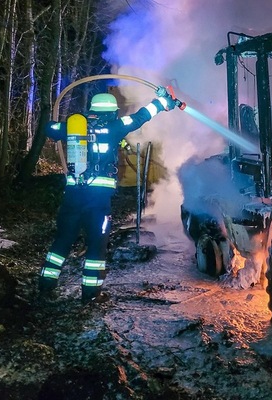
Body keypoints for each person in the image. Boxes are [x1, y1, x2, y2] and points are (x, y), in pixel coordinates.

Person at [38, 88, 177, 302]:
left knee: (62, 240)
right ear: (112, 112)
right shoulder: (114, 127)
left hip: (73, 196)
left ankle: (46, 285)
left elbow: (50, 129)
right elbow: (140, 117)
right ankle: (91, 294)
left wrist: (59, 123)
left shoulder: (75, 127)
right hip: (98, 200)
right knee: (96, 244)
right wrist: (161, 102)